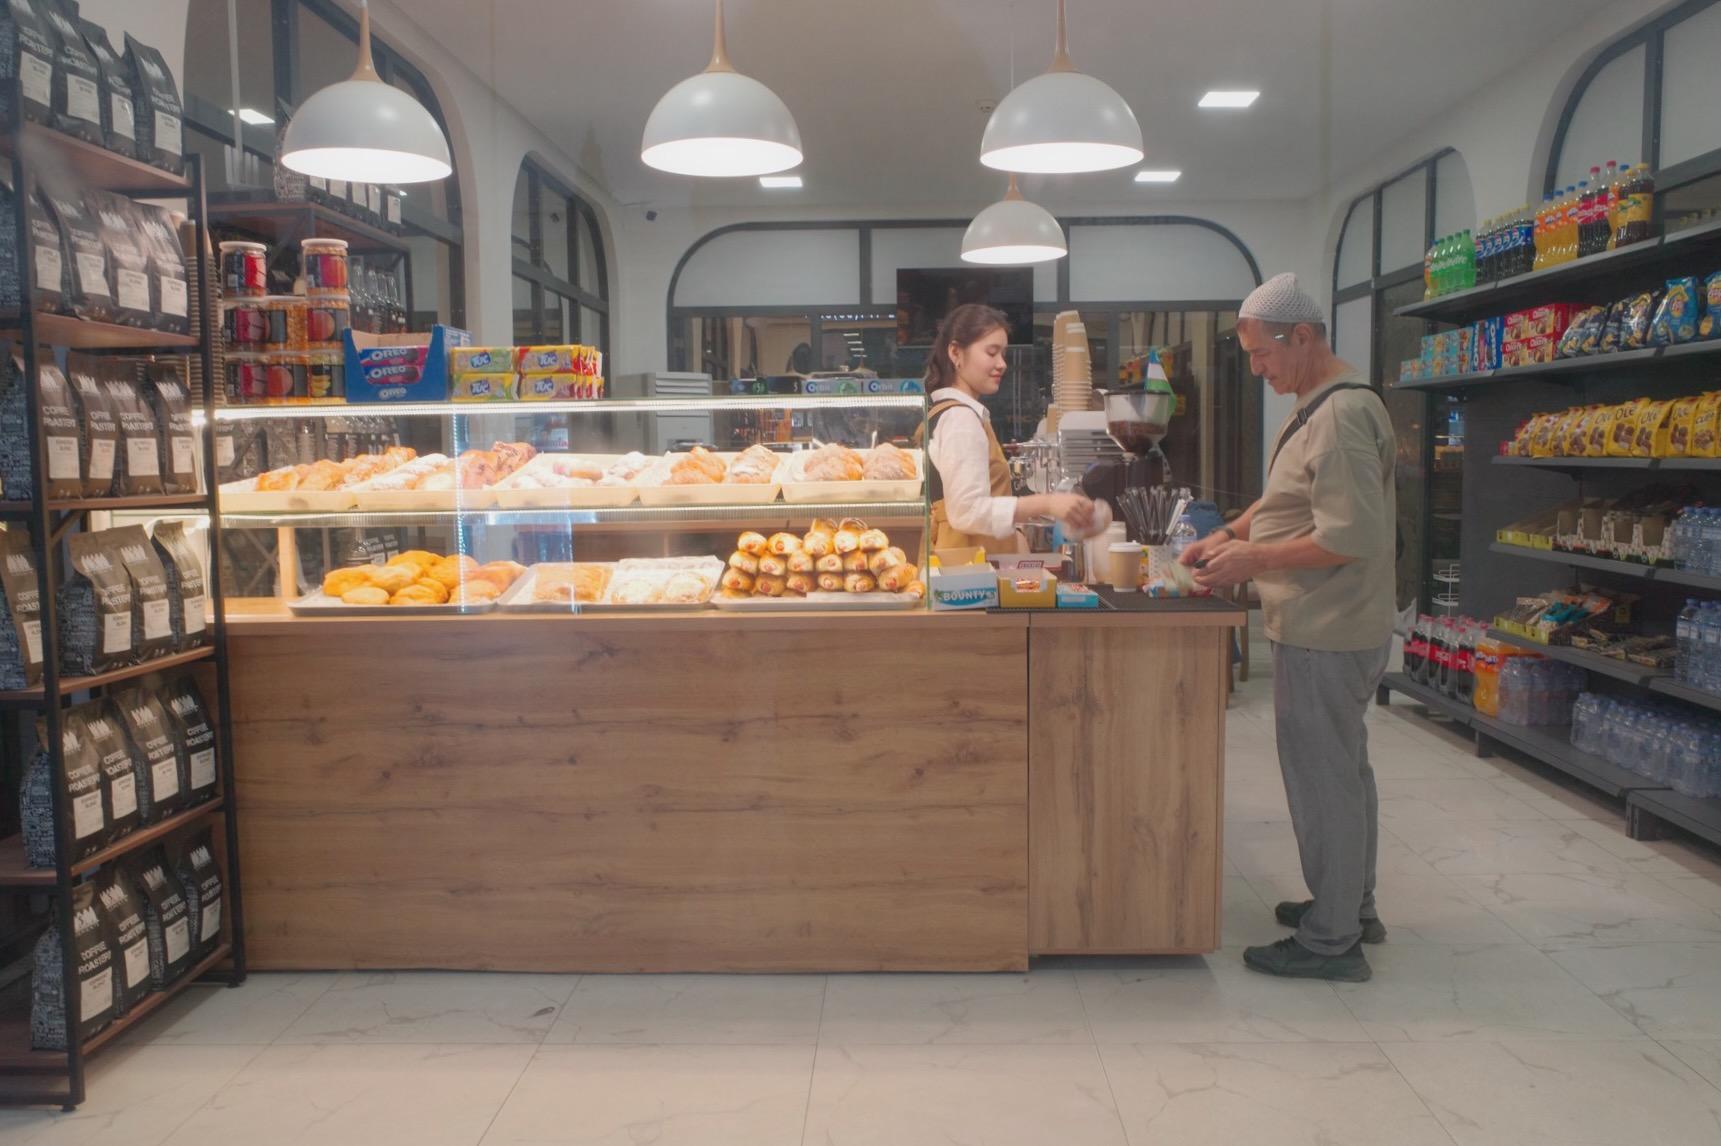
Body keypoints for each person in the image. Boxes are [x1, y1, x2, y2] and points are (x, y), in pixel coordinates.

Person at [1180, 272, 1396, 983]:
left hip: (1326, 625)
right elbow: (1288, 501)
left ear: (1301, 337)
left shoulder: (1338, 417)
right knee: (1342, 767)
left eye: (1263, 355)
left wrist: (1251, 557)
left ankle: (1331, 941)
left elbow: (1348, 535)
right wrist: (1228, 535)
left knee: (1321, 778)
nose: (1257, 369)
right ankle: (1349, 906)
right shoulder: (1317, 406)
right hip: (1327, 621)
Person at [917, 303, 1095, 550]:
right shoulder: (961, 419)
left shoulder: (946, 412)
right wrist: (1048, 503)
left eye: (1003, 354)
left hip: (959, 565)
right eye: (992, 353)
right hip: (967, 574)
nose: (1002, 364)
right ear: (956, 353)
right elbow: (968, 511)